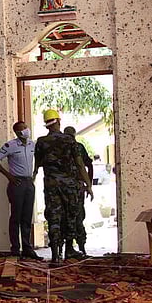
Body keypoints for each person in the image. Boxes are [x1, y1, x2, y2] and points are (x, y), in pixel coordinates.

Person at [33, 109, 88, 268]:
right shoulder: (69, 140)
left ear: (47, 124)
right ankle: (69, 250)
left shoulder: (41, 142)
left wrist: (34, 175)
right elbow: (79, 164)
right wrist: (88, 185)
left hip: (51, 185)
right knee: (70, 215)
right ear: (58, 121)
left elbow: (37, 164)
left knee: (54, 216)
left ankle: (55, 255)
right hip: (69, 185)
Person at [0, 121, 40, 261]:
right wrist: (9, 176)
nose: (25, 130)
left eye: (26, 127)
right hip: (16, 183)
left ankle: (27, 248)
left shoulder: (33, 145)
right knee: (16, 217)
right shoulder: (10, 145)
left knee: (27, 216)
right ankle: (15, 249)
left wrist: (35, 171)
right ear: (17, 133)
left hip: (29, 183)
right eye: (22, 129)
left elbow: (39, 158)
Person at [63, 126, 94, 259]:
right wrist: (89, 184)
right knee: (78, 216)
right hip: (76, 187)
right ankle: (81, 248)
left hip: (63, 188)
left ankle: (64, 250)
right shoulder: (78, 146)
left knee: (64, 217)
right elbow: (88, 165)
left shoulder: (60, 147)